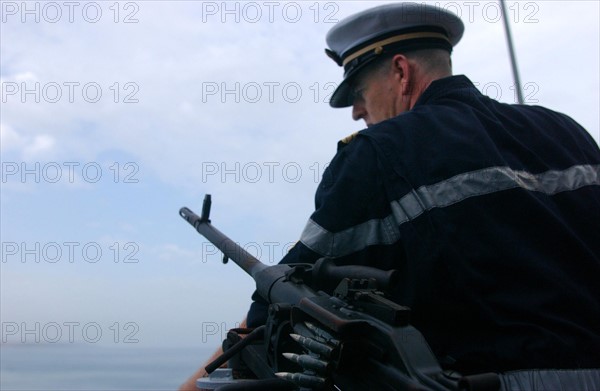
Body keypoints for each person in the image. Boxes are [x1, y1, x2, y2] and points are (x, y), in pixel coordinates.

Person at [181, 3, 600, 389]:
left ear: (400, 72)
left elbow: (286, 300)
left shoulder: (379, 154)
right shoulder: (569, 133)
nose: (356, 112)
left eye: (359, 93)